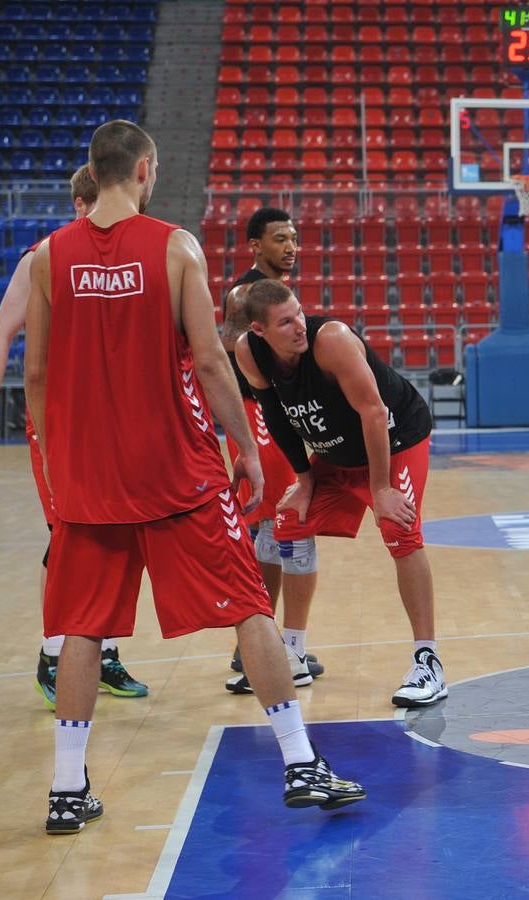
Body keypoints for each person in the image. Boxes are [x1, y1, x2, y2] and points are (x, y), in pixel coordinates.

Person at [24, 120, 364, 835]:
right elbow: (211, 361)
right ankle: (301, 762)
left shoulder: (50, 257)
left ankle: (63, 788)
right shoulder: (175, 246)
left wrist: (54, 462)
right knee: (247, 605)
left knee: (82, 628)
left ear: (95, 172)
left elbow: (36, 373)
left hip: (88, 476)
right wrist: (243, 445)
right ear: (144, 170)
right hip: (178, 471)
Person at [0, 165, 147, 709]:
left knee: (121, 534)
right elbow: (0, 336)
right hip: (60, 422)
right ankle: (52, 652)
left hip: (117, 421)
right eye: (89, 208)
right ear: (76, 206)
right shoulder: (43, 257)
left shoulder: (131, 255)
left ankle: (104, 650)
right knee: (70, 538)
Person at [234, 279, 447, 708]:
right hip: (336, 451)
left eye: (299, 314)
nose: (299, 326)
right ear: (260, 331)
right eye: (285, 321)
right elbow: (276, 414)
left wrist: (382, 487)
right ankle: (292, 651)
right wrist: (305, 478)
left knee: (398, 527)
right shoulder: (248, 351)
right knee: (288, 521)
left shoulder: (330, 340)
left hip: (395, 439)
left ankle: (429, 662)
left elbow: (374, 412)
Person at [219, 207, 324, 693]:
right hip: (254, 410)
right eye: (280, 238)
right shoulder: (245, 294)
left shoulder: (277, 293)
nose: (291, 246)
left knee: (272, 525)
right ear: (255, 246)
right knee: (282, 521)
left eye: (295, 237)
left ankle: (268, 642)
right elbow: (225, 343)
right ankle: (267, 646)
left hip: (273, 410)